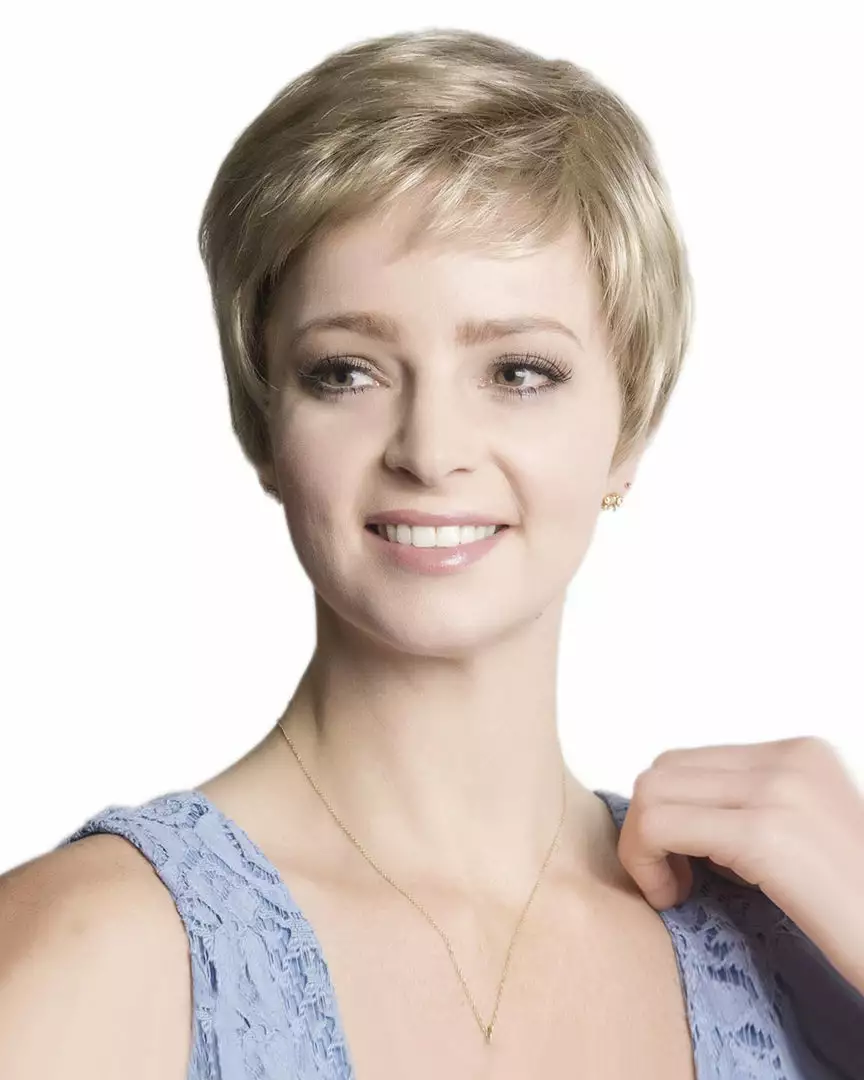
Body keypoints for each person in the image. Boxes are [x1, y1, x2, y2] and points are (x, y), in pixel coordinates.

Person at [1, 26, 862, 1080]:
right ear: (263, 420)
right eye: (347, 371)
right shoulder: (90, 954)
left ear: (630, 427)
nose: (430, 449)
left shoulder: (798, 946)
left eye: (519, 371)